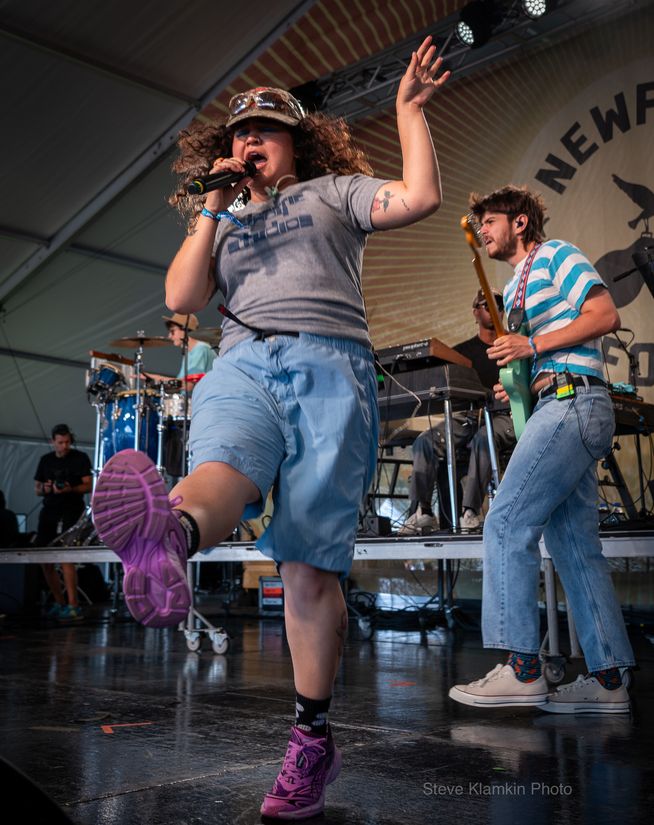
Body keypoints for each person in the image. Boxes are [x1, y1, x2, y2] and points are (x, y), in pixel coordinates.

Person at [92, 37, 449, 820]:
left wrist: (410, 112)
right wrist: (211, 208)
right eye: (238, 135)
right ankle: (169, 538)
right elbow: (183, 297)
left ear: (298, 143)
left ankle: (312, 739)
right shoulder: (217, 222)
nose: (249, 143)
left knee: (307, 569)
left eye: (266, 132)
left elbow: (418, 197)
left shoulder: (334, 193)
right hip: (245, 362)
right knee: (223, 462)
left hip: (334, 367)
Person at [448, 185, 635, 714]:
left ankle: (523, 668)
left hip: (573, 402)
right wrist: (520, 379)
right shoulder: (515, 286)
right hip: (560, 400)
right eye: (478, 223)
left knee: (505, 523)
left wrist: (531, 346)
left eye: (489, 220)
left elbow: (604, 315)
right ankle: (608, 680)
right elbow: (540, 350)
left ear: (520, 222)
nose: (482, 230)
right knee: (576, 550)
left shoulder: (556, 255)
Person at [399, 288, 515, 535]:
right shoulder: (461, 353)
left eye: (498, 305)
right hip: (468, 417)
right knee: (424, 443)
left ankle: (469, 512)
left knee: (485, 438)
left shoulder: (514, 345)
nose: (493, 310)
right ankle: (422, 512)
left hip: (505, 416)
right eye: (485, 305)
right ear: (475, 312)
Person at [34, 424, 92, 621]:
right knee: (44, 557)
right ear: (53, 442)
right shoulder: (45, 460)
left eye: (67, 442)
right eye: (60, 443)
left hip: (72, 509)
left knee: (67, 555)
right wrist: (46, 488)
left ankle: (73, 605)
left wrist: (71, 489)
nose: (64, 446)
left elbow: (89, 485)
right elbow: (37, 488)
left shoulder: (80, 458)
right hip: (49, 509)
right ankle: (59, 602)